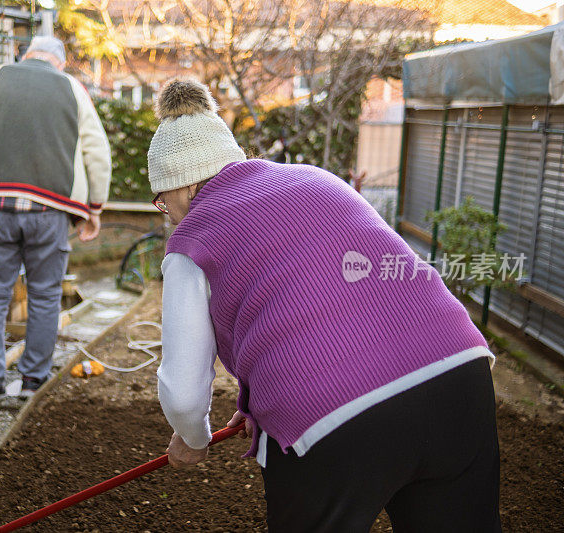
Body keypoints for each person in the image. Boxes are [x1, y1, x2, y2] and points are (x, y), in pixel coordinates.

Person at [148, 79, 501, 532]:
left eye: (163, 202)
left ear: (185, 186)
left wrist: (193, 438)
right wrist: (261, 403)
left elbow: (181, 390)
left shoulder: (191, 241)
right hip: (458, 374)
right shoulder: (314, 178)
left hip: (337, 418)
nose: (169, 214)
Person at [0, 36, 111, 405]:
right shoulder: (72, 88)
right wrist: (95, 209)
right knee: (45, 296)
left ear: (25, 55)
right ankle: (32, 383)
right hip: (49, 211)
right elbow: (97, 152)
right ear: (59, 63)